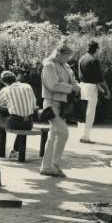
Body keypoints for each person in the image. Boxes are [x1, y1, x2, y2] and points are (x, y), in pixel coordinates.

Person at [39, 44, 78, 177]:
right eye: (66, 56)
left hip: (63, 104)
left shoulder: (66, 67)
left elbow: (73, 81)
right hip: (51, 103)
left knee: (53, 136)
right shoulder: (49, 66)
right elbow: (52, 84)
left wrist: (76, 86)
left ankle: (47, 167)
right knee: (63, 132)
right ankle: (54, 165)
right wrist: (71, 88)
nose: (68, 59)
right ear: (58, 54)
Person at [0, 70, 38, 152]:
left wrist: (7, 104)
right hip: (29, 123)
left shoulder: (6, 89)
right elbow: (34, 104)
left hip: (15, 122)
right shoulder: (28, 86)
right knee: (21, 123)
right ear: (15, 78)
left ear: (3, 82)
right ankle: (15, 151)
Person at [76, 41, 106, 143]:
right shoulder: (94, 60)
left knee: (82, 110)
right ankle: (86, 136)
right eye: (99, 49)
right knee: (90, 112)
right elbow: (99, 78)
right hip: (91, 87)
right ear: (96, 49)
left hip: (82, 85)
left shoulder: (82, 59)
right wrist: (106, 89)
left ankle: (80, 134)